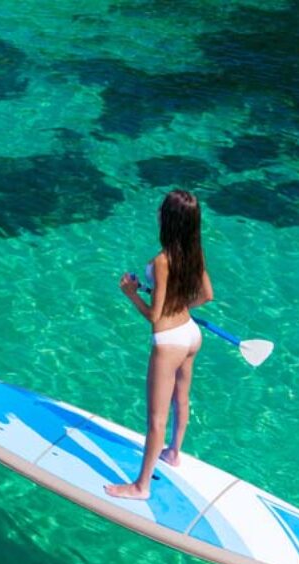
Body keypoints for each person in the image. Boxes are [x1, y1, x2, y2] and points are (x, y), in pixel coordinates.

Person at [105, 189, 214, 500]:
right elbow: (206, 295)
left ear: (167, 219)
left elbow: (155, 318)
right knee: (182, 398)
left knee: (156, 418)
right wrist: (178, 304)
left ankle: (141, 487)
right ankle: (174, 453)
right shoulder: (196, 252)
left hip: (169, 341)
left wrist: (131, 293)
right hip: (192, 335)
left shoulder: (162, 260)